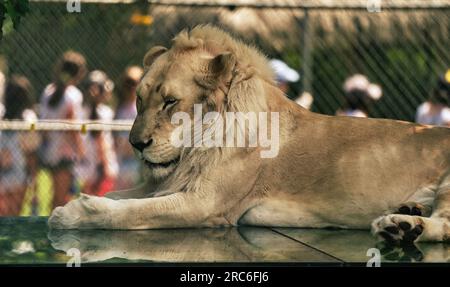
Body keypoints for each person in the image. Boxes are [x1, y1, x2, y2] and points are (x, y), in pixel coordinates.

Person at [39, 51, 87, 209]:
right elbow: (72, 127)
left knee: (58, 196)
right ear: (78, 73)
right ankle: (57, 228)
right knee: (63, 197)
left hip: (50, 151)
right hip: (65, 153)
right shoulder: (73, 95)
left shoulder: (48, 91)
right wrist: (81, 150)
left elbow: (43, 123)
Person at [0, 75, 37, 215]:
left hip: (3, 173)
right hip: (18, 173)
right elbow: (31, 151)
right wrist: (33, 180)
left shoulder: (2, 113)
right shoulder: (28, 117)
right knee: (14, 215)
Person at [78, 70, 118, 196]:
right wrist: (104, 168)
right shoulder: (105, 112)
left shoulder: (80, 111)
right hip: (101, 167)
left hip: (83, 168)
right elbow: (102, 144)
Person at [114, 66, 143, 189]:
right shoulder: (119, 109)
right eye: (128, 83)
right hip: (121, 163)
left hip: (138, 163)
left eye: (135, 83)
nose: (131, 87)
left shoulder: (142, 108)